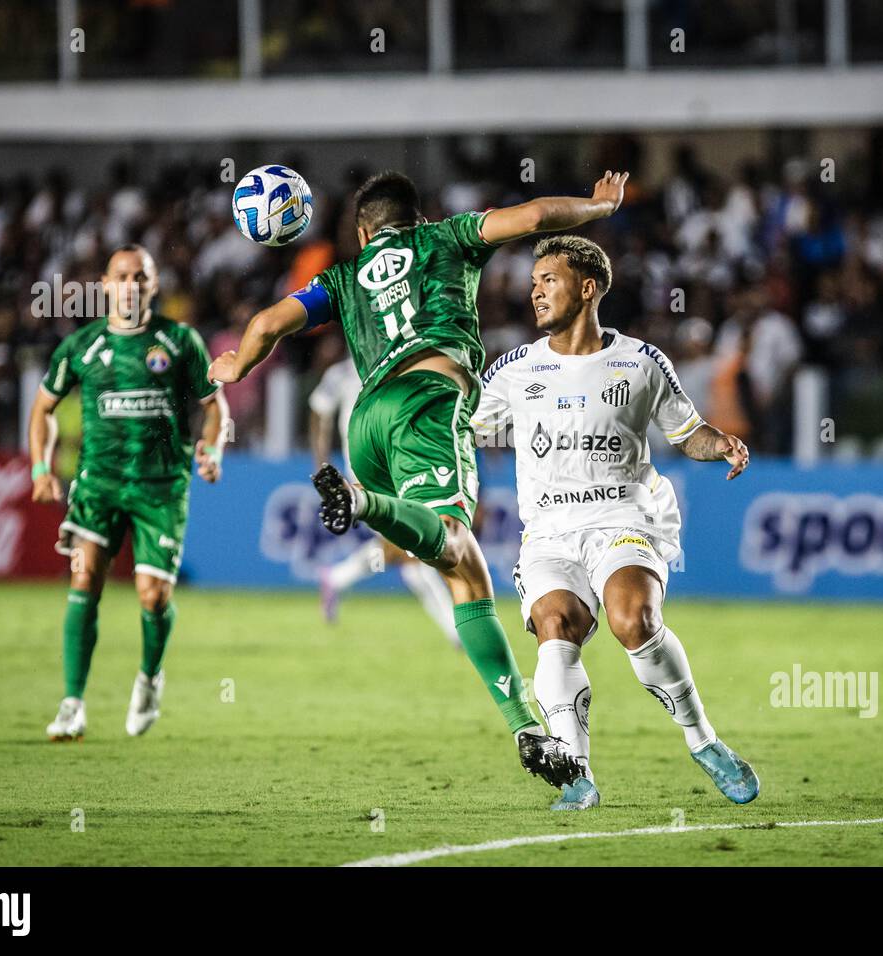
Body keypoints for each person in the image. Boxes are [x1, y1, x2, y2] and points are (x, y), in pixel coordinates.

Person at [207, 169, 630, 795]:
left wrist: (238, 362)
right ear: (420, 216)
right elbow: (537, 217)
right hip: (428, 402)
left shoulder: (342, 280)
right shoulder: (448, 239)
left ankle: (523, 726)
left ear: (361, 231)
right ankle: (357, 500)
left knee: (462, 575)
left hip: (367, 425)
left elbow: (269, 322)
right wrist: (599, 206)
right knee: (460, 543)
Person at [472, 235, 759, 810]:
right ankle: (576, 775)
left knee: (634, 619)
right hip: (548, 531)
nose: (535, 294)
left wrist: (721, 443)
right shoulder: (515, 368)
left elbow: (688, 431)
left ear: (588, 287)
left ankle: (703, 741)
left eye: (547, 281)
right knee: (557, 626)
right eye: (532, 284)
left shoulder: (642, 362)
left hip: (623, 516)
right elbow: (464, 424)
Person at [29, 244, 229, 741]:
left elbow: (215, 406)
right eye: (122, 276)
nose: (131, 285)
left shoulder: (179, 340)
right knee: (84, 584)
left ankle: (148, 679)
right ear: (104, 285)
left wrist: (212, 449)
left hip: (161, 486)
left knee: (153, 596)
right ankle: (72, 703)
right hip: (98, 483)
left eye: (141, 277)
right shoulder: (80, 345)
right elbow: (42, 411)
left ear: (154, 286)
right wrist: (40, 467)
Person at [308, 347, 460, 648]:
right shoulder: (342, 373)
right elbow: (318, 413)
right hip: (367, 470)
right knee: (412, 548)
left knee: (409, 547)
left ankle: (336, 578)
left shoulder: (398, 362)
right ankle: (456, 633)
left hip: (399, 463)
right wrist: (322, 465)